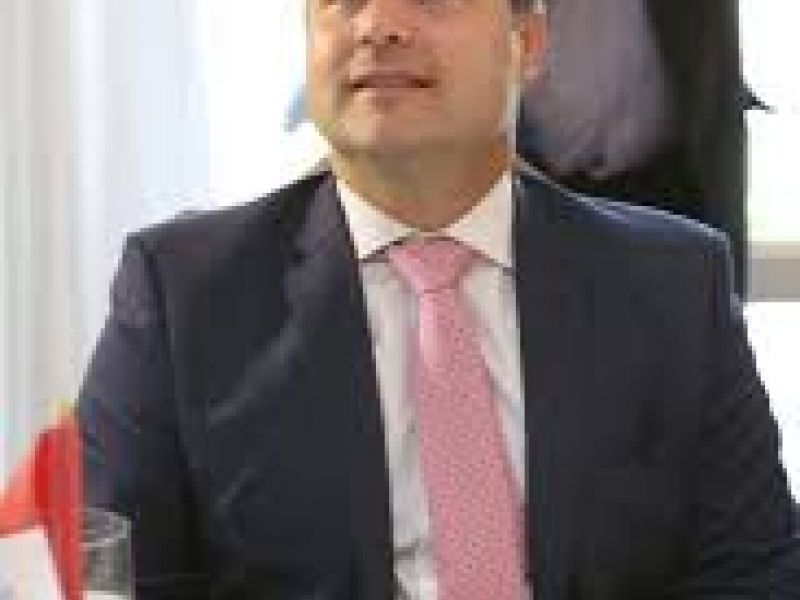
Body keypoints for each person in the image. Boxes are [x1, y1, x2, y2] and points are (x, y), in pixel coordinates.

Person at [78, 0, 797, 598]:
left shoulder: (671, 287)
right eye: (342, 2)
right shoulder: (183, 296)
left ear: (527, 44)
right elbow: (116, 578)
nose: (378, 25)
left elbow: (752, 574)